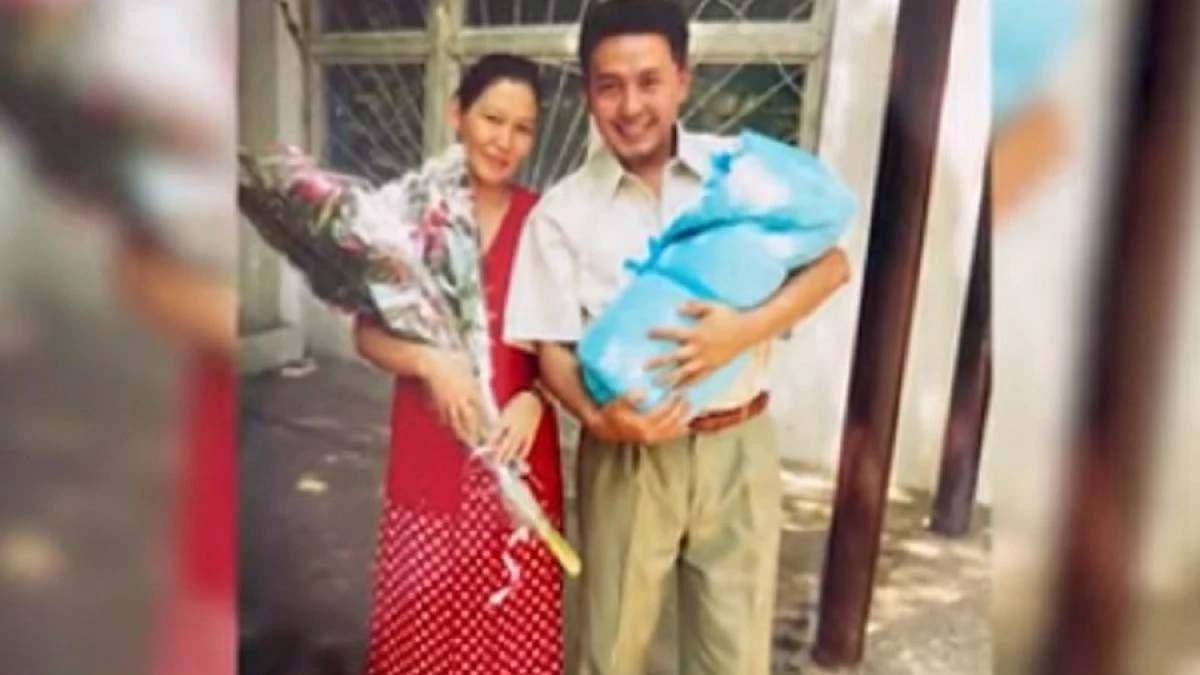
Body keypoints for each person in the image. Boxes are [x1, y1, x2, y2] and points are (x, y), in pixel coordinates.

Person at [503, 1, 851, 673]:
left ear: (683, 80)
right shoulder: (562, 214)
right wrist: (599, 420)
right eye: (610, 86)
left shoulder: (741, 175)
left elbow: (833, 265)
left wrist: (744, 331)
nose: (631, 105)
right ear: (587, 93)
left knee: (734, 654)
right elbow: (550, 351)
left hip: (740, 444)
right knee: (610, 649)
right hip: (628, 453)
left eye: (649, 81)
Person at [354, 53, 564, 675]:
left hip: (517, 464)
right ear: (457, 115)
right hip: (430, 456)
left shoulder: (545, 223)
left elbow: (572, 344)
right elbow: (365, 334)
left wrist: (538, 397)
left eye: (522, 128)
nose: (505, 141)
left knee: (510, 642)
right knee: (419, 639)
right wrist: (428, 362)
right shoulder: (412, 221)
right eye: (492, 119)